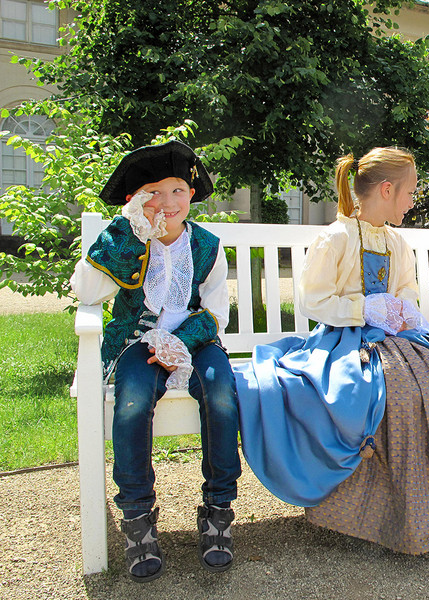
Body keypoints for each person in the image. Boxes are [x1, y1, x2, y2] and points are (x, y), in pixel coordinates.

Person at [234, 147, 429, 554]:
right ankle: (375, 513)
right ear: (388, 189)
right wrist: (363, 307)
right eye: (410, 192)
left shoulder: (397, 241)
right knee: (394, 395)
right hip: (343, 341)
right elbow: (314, 301)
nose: (413, 201)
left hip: (393, 338)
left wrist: (402, 307)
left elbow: (408, 287)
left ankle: (424, 503)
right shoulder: (335, 237)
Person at [71, 141, 241, 581]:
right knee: (130, 402)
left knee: (222, 395)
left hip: (196, 342)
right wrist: (128, 233)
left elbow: (217, 313)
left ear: (192, 194)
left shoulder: (206, 245)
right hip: (136, 342)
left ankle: (219, 508)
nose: (167, 202)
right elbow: (87, 294)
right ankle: (138, 518)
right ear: (135, 199)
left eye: (178, 190)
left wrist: (178, 341)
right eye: (154, 192)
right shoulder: (124, 235)